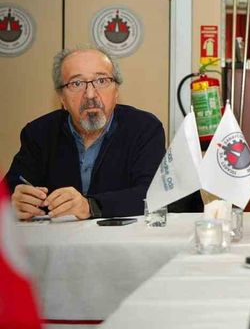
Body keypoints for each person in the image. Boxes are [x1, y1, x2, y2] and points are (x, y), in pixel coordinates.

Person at [5, 47, 165, 220]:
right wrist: (14, 201)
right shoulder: (38, 133)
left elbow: (155, 194)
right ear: (61, 97)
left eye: (102, 80)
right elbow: (10, 190)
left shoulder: (144, 128)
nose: (90, 95)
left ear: (116, 91)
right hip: (57, 237)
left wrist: (91, 206)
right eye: (76, 84)